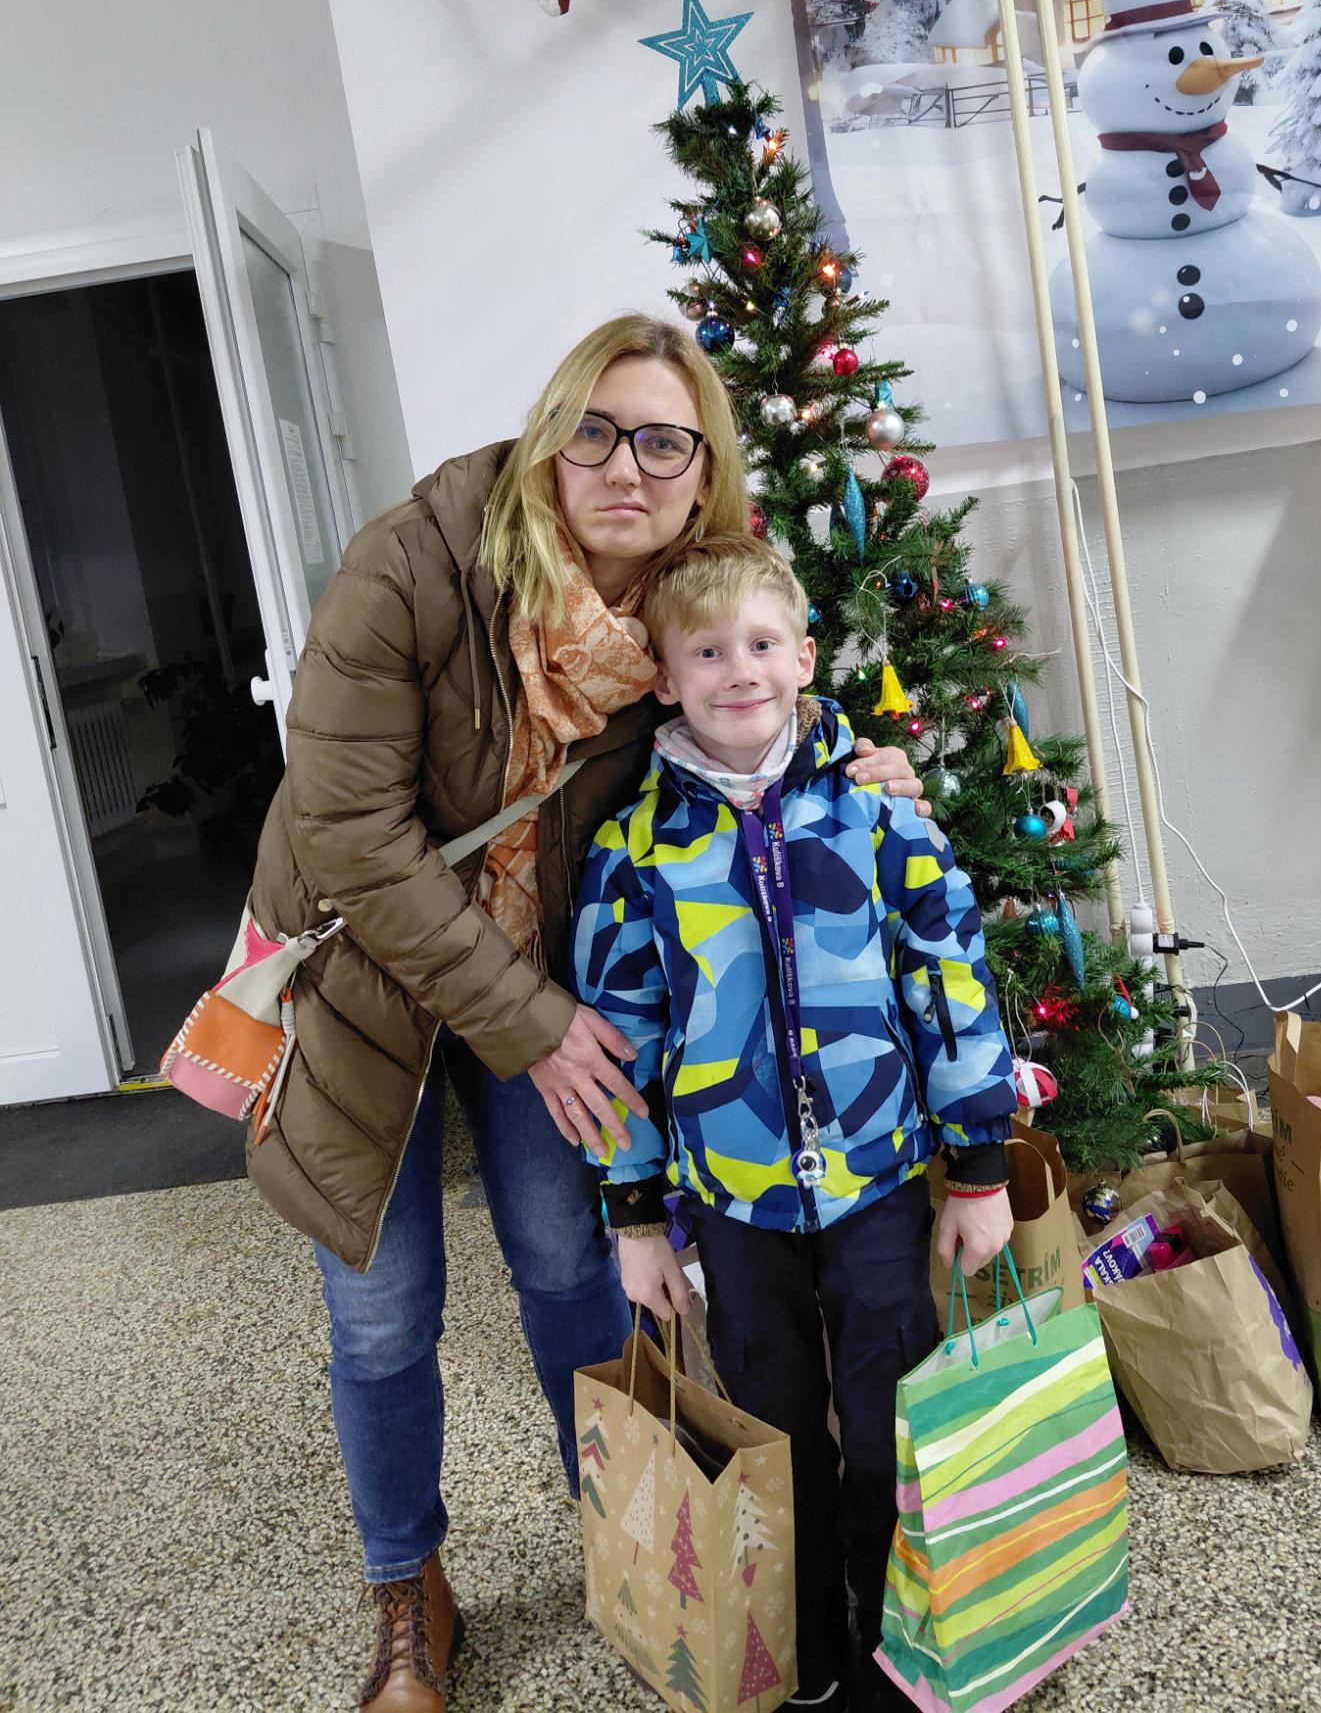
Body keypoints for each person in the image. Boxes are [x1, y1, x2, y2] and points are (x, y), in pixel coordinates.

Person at [246, 315, 927, 1712]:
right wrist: (532, 1022)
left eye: (664, 441)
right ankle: (406, 1585)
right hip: (369, 974)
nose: (627, 465)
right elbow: (348, 831)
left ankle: (628, 1533)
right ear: (550, 441)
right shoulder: (413, 564)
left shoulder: (684, 600)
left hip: (546, 976)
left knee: (571, 1268)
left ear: (702, 470)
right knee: (382, 1309)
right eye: (596, 431)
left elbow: (744, 704)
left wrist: (853, 765)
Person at [573, 533, 1017, 1713]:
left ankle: (893, 1640)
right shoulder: (634, 851)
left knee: (886, 1418)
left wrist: (979, 1167)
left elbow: (949, 976)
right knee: (773, 1432)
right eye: (707, 652)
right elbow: (618, 1043)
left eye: (761, 643)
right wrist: (632, 1212)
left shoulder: (874, 810)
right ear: (664, 677)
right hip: (732, 1201)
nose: (739, 671)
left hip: (877, 1180)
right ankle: (808, 1643)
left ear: (805, 657)